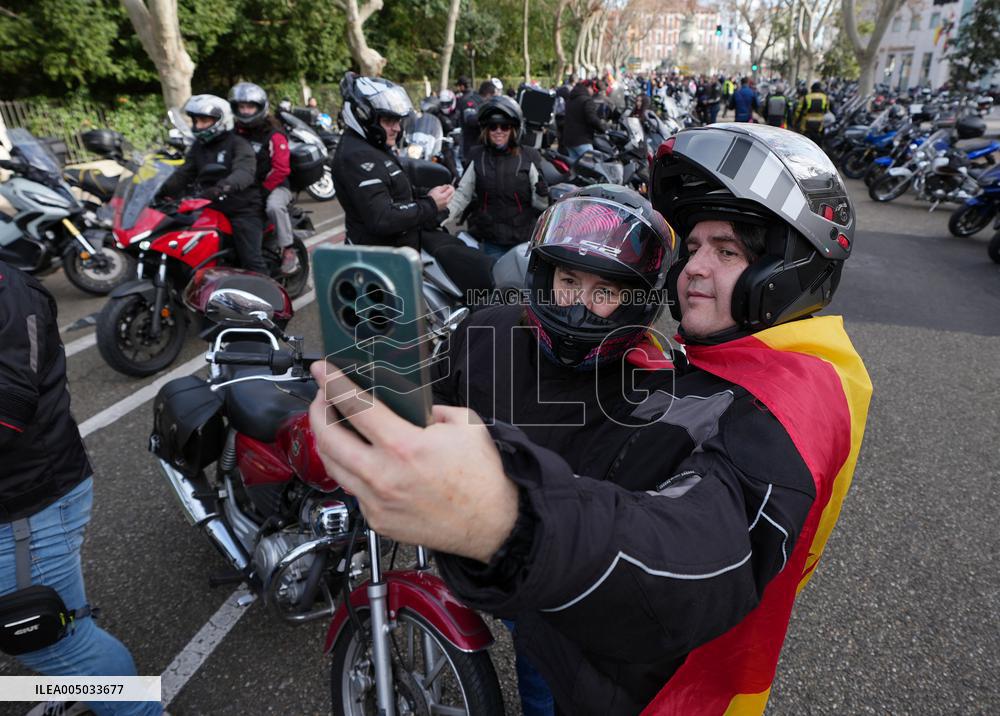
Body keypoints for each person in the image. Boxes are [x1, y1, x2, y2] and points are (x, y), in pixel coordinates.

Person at [307, 125, 872, 714]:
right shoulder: (699, 367)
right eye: (696, 248)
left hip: (617, 663)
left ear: (782, 268)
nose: (696, 270)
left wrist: (506, 516)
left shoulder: (768, 396)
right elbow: (442, 385)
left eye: (727, 251)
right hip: (555, 612)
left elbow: (701, 551)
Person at [0, 261, 162, 716]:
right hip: (27, 496)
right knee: (62, 619)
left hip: (25, 505)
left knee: (53, 643)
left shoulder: (8, 294)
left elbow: (7, 410)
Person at [332, 73, 493, 294]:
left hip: (399, 257)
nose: (397, 128)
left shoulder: (372, 146)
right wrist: (429, 204)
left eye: (398, 121)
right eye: (389, 121)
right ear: (363, 116)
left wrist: (430, 193)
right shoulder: (356, 156)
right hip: (381, 269)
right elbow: (381, 217)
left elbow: (397, 190)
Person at [159, 94, 265, 274]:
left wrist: (223, 187)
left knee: (251, 260)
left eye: (203, 121)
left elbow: (244, 172)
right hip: (209, 206)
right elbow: (183, 174)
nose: (198, 126)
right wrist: (159, 190)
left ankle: (269, 296)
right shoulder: (198, 148)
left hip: (241, 208)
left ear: (220, 120)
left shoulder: (238, 144)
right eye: (196, 121)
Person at [445, 95, 549, 258]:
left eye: (505, 126)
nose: (498, 131)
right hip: (492, 241)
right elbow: (462, 195)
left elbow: (541, 206)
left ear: (514, 129)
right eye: (493, 126)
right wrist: (440, 218)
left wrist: (543, 194)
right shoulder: (477, 156)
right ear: (486, 130)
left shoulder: (529, 157)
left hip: (524, 241)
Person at [228, 82, 299, 275]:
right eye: (241, 107)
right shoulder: (234, 133)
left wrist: (263, 192)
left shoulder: (274, 134)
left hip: (275, 186)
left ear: (260, 108)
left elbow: (281, 169)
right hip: (244, 187)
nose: (245, 111)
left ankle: (288, 249)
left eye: (250, 106)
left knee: (273, 207)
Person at [563, 80, 607, 162]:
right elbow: (592, 118)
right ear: (589, 87)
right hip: (582, 140)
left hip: (568, 140)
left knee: (575, 168)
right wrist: (603, 128)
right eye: (593, 90)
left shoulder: (570, 99)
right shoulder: (587, 101)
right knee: (590, 165)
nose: (593, 92)